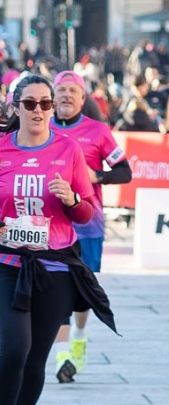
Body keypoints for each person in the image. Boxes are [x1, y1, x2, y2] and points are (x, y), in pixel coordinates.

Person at [0, 73, 111, 405]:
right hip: (4, 261)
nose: (38, 110)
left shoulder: (68, 150)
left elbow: (87, 214)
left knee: (35, 360)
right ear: (15, 107)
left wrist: (74, 198)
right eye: (29, 103)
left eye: (45, 103)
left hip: (53, 267)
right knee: (14, 346)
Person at [50, 69, 132, 381]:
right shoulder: (41, 129)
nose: (67, 96)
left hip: (88, 226)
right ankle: (62, 357)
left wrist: (95, 175)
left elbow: (124, 172)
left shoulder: (97, 131)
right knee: (58, 291)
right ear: (53, 97)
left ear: (83, 98)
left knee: (82, 291)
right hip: (51, 226)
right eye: (62, 90)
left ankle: (79, 340)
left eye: (73, 91)